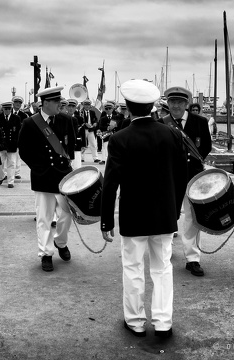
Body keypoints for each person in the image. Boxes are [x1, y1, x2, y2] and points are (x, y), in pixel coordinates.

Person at [101, 79, 187, 339]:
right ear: (153, 106)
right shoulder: (171, 134)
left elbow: (110, 184)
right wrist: (175, 210)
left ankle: (136, 321)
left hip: (134, 215)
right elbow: (182, 176)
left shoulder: (119, 139)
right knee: (162, 269)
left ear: (127, 106)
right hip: (164, 215)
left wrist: (107, 221)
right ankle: (163, 323)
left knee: (133, 268)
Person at [18, 86, 76, 272]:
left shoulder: (67, 120)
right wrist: (38, 168)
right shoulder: (30, 123)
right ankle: (46, 253)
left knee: (67, 214)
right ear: (46, 103)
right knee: (44, 217)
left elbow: (70, 146)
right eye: (57, 101)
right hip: (43, 177)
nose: (61, 104)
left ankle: (60, 241)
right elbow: (24, 150)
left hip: (63, 176)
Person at [159, 87, 212, 276]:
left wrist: (194, 163)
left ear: (186, 104)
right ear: (168, 103)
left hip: (193, 175)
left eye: (180, 102)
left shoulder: (200, 122)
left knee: (192, 218)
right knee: (168, 216)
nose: (175, 106)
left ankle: (192, 259)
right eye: (172, 102)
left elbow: (206, 146)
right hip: (170, 177)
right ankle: (164, 254)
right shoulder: (161, 123)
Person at [0, 101, 20, 188]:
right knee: (0, 163)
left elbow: (18, 132)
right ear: (3, 109)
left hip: (12, 144)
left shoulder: (16, 118)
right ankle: (2, 176)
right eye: (6, 109)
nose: (8, 110)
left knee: (12, 163)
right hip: (1, 144)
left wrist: (17, 143)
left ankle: (10, 181)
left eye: (9, 109)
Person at [12, 96, 28, 180]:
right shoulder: (8, 112)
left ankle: (17, 173)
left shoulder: (24, 115)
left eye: (19, 103)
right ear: (13, 103)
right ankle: (7, 173)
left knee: (18, 156)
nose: (18, 104)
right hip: (9, 139)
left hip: (19, 138)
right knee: (7, 157)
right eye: (16, 102)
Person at [66, 98, 84, 169]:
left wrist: (84, 144)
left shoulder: (79, 118)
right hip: (66, 143)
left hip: (77, 143)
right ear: (66, 107)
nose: (71, 108)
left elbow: (82, 132)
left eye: (73, 107)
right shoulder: (63, 117)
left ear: (75, 108)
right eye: (69, 106)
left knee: (77, 164)